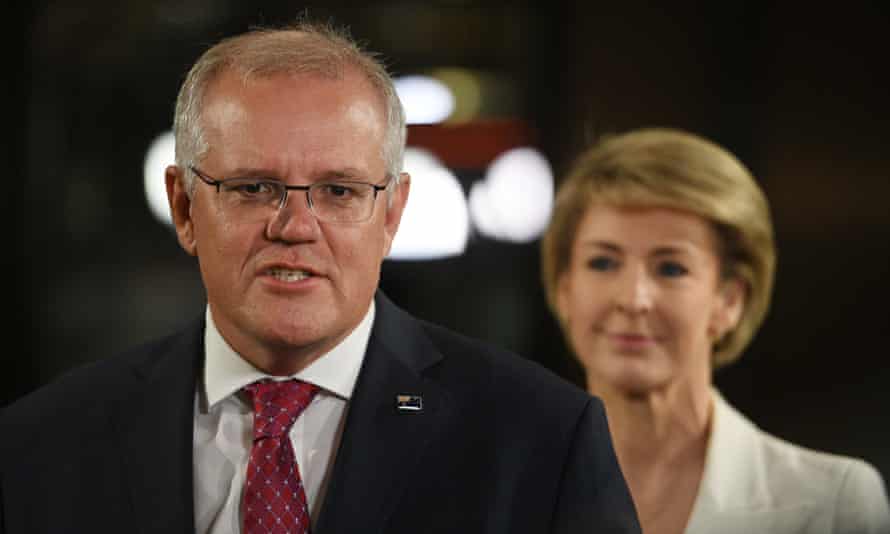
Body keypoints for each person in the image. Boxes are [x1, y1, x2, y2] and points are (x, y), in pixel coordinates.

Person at [0, 21, 641, 534]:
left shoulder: (542, 442)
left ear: (391, 213)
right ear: (184, 207)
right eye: (255, 187)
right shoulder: (40, 445)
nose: (296, 226)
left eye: (338, 190)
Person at [541, 127, 890, 534]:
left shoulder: (834, 504)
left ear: (730, 300)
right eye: (603, 263)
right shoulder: (496, 486)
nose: (633, 298)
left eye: (670, 268)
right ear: (565, 288)